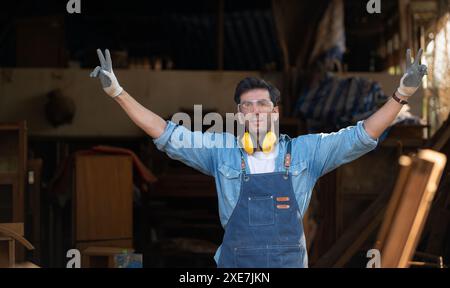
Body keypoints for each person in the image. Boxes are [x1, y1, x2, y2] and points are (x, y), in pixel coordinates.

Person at [90, 48, 427, 268]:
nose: (254, 111)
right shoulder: (221, 152)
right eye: (246, 106)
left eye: (262, 104)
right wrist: (117, 93)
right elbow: (165, 133)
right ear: (238, 115)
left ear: (275, 112)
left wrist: (401, 95)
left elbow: (362, 135)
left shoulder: (306, 153)